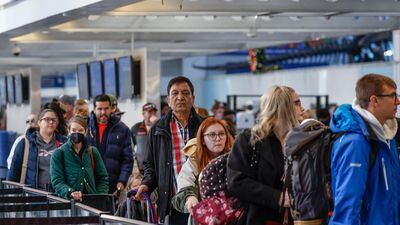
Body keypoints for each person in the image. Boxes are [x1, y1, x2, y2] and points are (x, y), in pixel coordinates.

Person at [227, 86, 304, 225]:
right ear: (282, 107)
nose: (303, 108)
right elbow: (236, 182)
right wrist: (279, 198)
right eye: (297, 103)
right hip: (259, 218)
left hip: (298, 219)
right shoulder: (249, 140)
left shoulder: (300, 140)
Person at [329, 74, 400, 225]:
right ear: (374, 100)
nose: (398, 102)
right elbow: (347, 207)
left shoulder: (388, 136)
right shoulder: (355, 142)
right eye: (393, 96)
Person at [135, 76, 204, 225]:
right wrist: (146, 183)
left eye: (185, 93)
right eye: (175, 93)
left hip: (202, 202)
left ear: (193, 97)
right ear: (168, 99)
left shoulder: (204, 127)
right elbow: (150, 165)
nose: (180, 97)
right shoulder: (157, 129)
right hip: (171, 202)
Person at [172, 117, 233, 224]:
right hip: (204, 217)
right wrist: (190, 197)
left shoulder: (235, 157)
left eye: (222, 134)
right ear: (203, 140)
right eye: (212, 135)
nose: (218, 138)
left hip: (232, 216)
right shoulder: (195, 160)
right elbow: (185, 183)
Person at [50, 115, 109, 201]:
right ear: (68, 131)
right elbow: (57, 181)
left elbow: (102, 178)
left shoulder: (92, 152)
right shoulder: (59, 153)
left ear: (86, 131)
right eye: (73, 130)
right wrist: (70, 192)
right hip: (69, 203)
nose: (77, 133)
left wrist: (99, 196)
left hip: (92, 203)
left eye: (80, 130)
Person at [7, 109, 67, 189]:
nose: (51, 122)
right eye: (47, 119)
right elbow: (14, 172)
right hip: (33, 195)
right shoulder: (25, 143)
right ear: (39, 123)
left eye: (54, 120)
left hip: (58, 195)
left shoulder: (64, 143)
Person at [87, 94, 133, 193]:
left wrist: (122, 181)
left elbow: (128, 160)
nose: (103, 112)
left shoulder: (123, 129)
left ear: (111, 109)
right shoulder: (86, 127)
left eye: (106, 108)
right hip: (89, 185)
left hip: (113, 186)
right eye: (99, 109)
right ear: (94, 109)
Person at [131, 103, 158, 174]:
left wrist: (156, 125)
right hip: (142, 168)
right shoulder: (136, 128)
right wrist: (135, 167)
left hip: (158, 166)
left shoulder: (160, 127)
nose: (152, 114)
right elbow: (132, 149)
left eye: (154, 112)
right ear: (143, 114)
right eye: (149, 112)